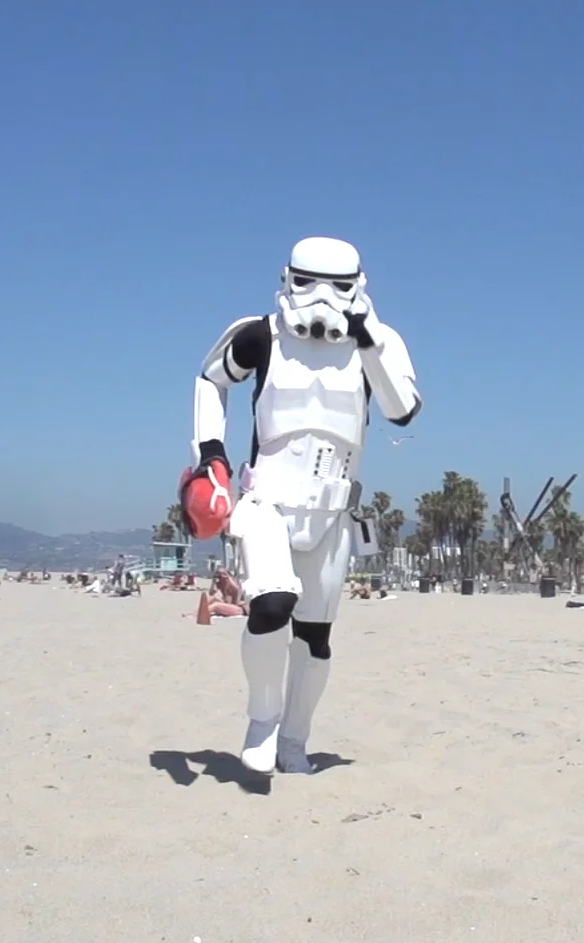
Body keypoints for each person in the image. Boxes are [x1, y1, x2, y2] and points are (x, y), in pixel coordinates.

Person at [184, 237, 420, 776]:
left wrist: (367, 341)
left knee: (315, 637)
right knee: (271, 604)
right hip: (267, 500)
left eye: (337, 286)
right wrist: (209, 454)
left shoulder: (380, 343)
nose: (321, 297)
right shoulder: (260, 334)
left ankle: (295, 741)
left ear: (358, 286)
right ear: (287, 278)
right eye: (308, 282)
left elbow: (402, 410)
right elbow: (210, 379)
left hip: (333, 514)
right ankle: (263, 721)